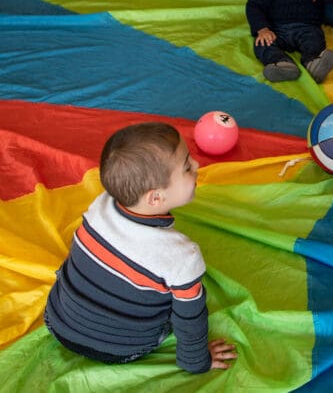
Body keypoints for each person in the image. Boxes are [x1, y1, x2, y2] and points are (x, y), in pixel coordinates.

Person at [44, 122, 237, 373]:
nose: (198, 166)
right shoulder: (182, 256)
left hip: (57, 321)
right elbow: (190, 320)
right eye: (188, 167)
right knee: (182, 300)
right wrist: (198, 361)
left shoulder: (100, 206)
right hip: (120, 350)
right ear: (156, 198)